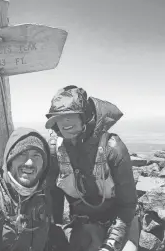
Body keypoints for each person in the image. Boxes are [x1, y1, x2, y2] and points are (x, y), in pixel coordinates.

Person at [45, 85, 139, 251]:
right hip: (83, 223)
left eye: (71, 116)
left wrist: (110, 246)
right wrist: (56, 235)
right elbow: (54, 197)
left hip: (121, 222)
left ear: (85, 117)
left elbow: (127, 206)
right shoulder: (56, 151)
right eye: (59, 117)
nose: (64, 122)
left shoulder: (113, 149)